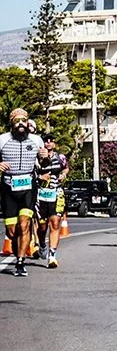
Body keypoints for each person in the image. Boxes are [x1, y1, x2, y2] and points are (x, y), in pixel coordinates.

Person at [0, 109, 46, 276]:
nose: (21, 123)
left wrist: (45, 157)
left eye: (24, 120)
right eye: (17, 120)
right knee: (12, 231)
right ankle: (17, 249)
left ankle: (20, 262)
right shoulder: (2, 139)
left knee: (25, 224)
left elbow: (43, 163)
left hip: (28, 187)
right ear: (11, 123)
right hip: (8, 188)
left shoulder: (36, 140)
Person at [36, 133, 70, 268]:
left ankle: (52, 256)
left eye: (51, 141)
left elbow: (66, 168)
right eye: (46, 141)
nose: (48, 143)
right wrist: (40, 177)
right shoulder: (36, 157)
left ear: (54, 144)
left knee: (55, 223)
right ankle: (42, 244)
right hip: (41, 194)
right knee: (42, 226)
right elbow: (29, 172)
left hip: (56, 192)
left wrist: (63, 174)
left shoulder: (60, 157)